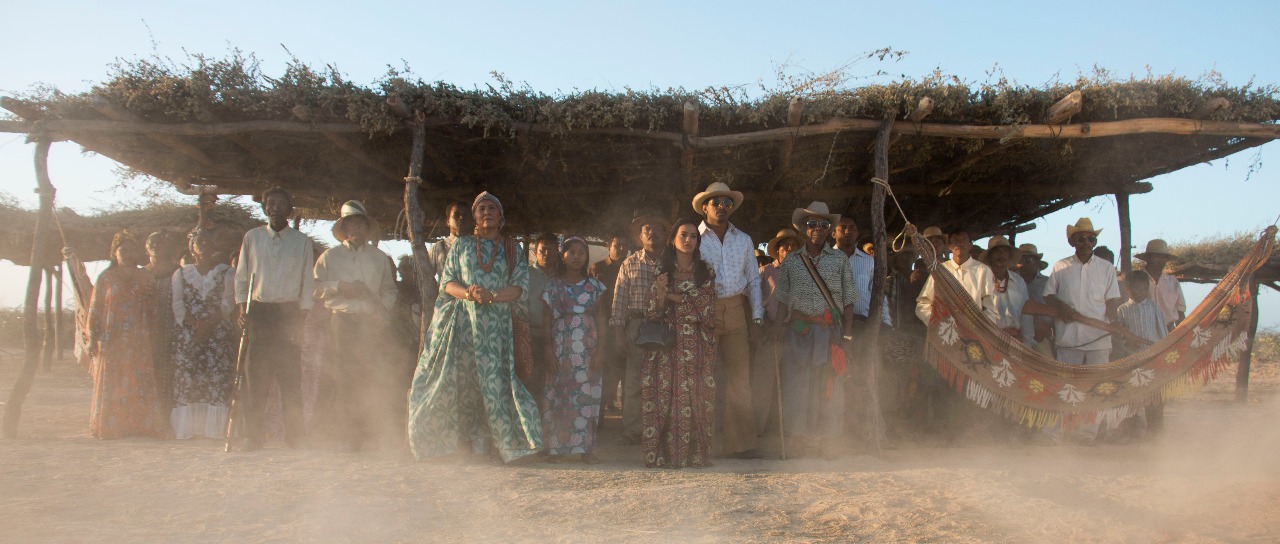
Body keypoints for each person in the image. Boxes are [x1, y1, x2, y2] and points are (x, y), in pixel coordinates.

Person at [407, 192, 542, 463]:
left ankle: (506, 444)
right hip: (463, 325)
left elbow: (520, 287)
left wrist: (492, 296)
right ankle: (453, 444)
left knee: (496, 382)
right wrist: (469, 294)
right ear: (475, 218)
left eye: (493, 207)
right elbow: (447, 283)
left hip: (497, 328)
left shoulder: (512, 248)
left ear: (501, 218)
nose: (487, 211)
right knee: (459, 381)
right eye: (481, 209)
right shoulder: (462, 245)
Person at [234, 187, 315, 450]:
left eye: (282, 203)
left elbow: (307, 282)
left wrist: (300, 320)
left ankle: (296, 436)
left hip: (289, 312)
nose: (276, 207)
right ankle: (252, 436)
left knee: (290, 376)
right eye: (272, 203)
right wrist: (241, 310)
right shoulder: (252, 238)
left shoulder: (301, 242)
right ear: (265, 208)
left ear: (290, 210)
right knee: (255, 376)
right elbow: (242, 276)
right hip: (259, 311)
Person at [773, 202, 857, 458]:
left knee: (828, 387)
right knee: (797, 387)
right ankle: (798, 441)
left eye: (823, 225)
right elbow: (783, 300)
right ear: (803, 228)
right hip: (798, 332)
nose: (818, 229)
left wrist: (848, 336)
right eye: (812, 224)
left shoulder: (840, 260)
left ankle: (827, 442)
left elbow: (849, 300)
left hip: (829, 333)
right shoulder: (791, 261)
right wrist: (777, 332)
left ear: (830, 230)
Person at [313, 201, 398, 451]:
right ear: (344, 227)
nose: (356, 227)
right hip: (342, 321)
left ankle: (370, 433)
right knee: (343, 377)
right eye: (351, 223)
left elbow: (389, 291)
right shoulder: (330, 257)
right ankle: (347, 435)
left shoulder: (379, 258)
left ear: (366, 227)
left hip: (370, 323)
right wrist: (340, 286)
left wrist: (380, 313)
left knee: (371, 375)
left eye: (361, 223)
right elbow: (314, 288)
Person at [642, 218, 718, 468]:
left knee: (694, 396)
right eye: (683, 235)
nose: (688, 240)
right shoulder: (661, 271)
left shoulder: (706, 271)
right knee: (665, 398)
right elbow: (652, 312)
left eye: (693, 236)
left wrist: (671, 296)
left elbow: (705, 309)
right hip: (667, 346)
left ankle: (693, 456)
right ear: (673, 239)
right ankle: (663, 455)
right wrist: (661, 296)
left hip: (696, 344)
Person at [693, 182, 762, 459]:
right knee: (700, 378)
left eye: (727, 203)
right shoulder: (693, 238)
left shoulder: (743, 239)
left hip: (735, 309)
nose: (722, 207)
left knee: (738, 380)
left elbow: (754, 280)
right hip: (703, 311)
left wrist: (756, 318)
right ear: (705, 207)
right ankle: (699, 442)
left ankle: (741, 444)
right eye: (716, 202)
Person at [1044, 218, 1122, 444]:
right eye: (1081, 238)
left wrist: (1113, 320)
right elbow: (1048, 295)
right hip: (1068, 337)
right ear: (1072, 241)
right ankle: (1057, 433)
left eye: (1091, 238)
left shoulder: (1106, 268)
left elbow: (1112, 300)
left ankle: (1087, 434)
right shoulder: (1060, 266)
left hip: (1098, 339)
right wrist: (1062, 307)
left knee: (1097, 388)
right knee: (1066, 387)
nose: (1086, 242)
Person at [914, 229, 997, 436]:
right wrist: (938, 326)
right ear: (949, 247)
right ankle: (943, 430)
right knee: (942, 383)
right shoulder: (940, 270)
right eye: (955, 241)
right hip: (945, 340)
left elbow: (992, 309)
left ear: (970, 244)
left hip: (973, 340)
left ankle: (967, 431)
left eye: (964, 240)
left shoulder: (982, 271)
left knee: (971, 385)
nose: (959, 244)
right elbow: (922, 304)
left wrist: (978, 330)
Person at [86, 230, 168, 439]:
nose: (129, 253)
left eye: (133, 249)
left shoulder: (144, 277)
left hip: (139, 340)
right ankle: (112, 426)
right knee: (114, 381)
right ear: (114, 253)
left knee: (137, 381)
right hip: (110, 339)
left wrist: (156, 336)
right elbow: (94, 309)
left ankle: (139, 426)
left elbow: (154, 310)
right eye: (124, 249)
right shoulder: (106, 278)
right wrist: (92, 338)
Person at [540, 236, 608, 464]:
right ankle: (556, 449)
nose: (577, 256)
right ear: (563, 255)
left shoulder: (595, 286)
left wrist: (600, 352)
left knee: (587, 397)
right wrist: (548, 352)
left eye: (581, 252)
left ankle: (586, 449)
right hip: (560, 348)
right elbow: (547, 321)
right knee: (559, 395)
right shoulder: (552, 286)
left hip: (588, 349)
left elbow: (601, 320)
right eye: (572, 252)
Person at [169, 228, 236, 440]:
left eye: (208, 243)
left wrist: (208, 325)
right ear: (192, 248)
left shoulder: (227, 272)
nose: (204, 247)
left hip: (217, 335)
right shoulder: (180, 274)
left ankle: (213, 430)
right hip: (190, 335)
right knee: (190, 377)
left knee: (216, 378)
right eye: (200, 243)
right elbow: (178, 305)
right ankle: (189, 429)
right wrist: (195, 326)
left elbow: (228, 303)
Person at [610, 209, 670, 445]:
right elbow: (618, 302)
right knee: (634, 380)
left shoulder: (674, 262)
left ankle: (662, 428)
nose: (652, 232)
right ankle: (633, 430)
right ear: (640, 237)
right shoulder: (629, 263)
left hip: (666, 325)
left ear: (666, 234)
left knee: (664, 379)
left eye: (657, 228)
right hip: (636, 325)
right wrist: (618, 334)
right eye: (647, 230)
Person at [751, 228, 803, 434]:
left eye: (793, 246)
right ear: (778, 250)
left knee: (793, 382)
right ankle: (755, 431)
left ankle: (790, 432)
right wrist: (764, 325)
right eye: (785, 246)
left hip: (794, 332)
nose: (789, 249)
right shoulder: (765, 272)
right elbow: (754, 300)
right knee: (763, 383)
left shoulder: (804, 274)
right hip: (769, 331)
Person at [1114, 269, 1170, 439]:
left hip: (1152, 359)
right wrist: (1127, 342)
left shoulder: (1153, 307)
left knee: (1154, 396)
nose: (1141, 293)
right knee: (1130, 396)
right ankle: (1131, 431)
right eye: (1137, 290)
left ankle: (1155, 432)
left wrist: (1162, 353)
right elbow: (1118, 336)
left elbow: (1163, 333)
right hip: (1131, 360)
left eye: (1144, 289)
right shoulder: (1121, 310)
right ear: (1128, 290)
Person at [144, 230, 183, 417]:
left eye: (161, 244)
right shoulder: (142, 274)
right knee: (150, 371)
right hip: (148, 333)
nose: (157, 249)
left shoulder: (178, 273)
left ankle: (169, 415)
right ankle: (151, 415)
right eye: (153, 245)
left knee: (172, 371)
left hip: (174, 331)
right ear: (147, 249)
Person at [589, 234, 627, 414]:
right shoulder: (597, 268)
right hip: (603, 325)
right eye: (617, 245)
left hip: (624, 324)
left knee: (622, 368)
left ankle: (615, 403)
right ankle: (601, 411)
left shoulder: (629, 267)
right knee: (605, 368)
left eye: (624, 246)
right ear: (608, 246)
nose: (621, 249)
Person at [423, 200, 471, 336]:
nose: (461, 218)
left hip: (471, 308)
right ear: (447, 221)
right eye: (456, 215)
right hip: (446, 308)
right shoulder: (439, 247)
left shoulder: (478, 247)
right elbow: (426, 279)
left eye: (466, 215)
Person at [982, 236, 1028, 338]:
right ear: (990, 256)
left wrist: (1027, 341)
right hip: (990, 338)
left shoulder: (1019, 281)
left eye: (1004, 251)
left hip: (1015, 339)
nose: (1001, 255)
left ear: (1009, 255)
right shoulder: (980, 280)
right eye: (996, 251)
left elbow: (1026, 314)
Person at [1136, 239, 1186, 331]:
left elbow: (1180, 312)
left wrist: (1182, 334)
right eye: (1157, 257)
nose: (1161, 260)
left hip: (1169, 332)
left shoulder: (1173, 283)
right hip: (1144, 331)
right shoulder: (1137, 280)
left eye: (1164, 257)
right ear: (1148, 258)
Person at [1016, 243, 1054, 355]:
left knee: (1047, 368)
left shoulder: (1048, 283)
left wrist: (1046, 329)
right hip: (1017, 336)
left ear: (1038, 263)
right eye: (1020, 260)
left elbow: (1056, 309)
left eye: (1029, 260)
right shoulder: (1012, 282)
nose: (1023, 264)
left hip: (1043, 336)